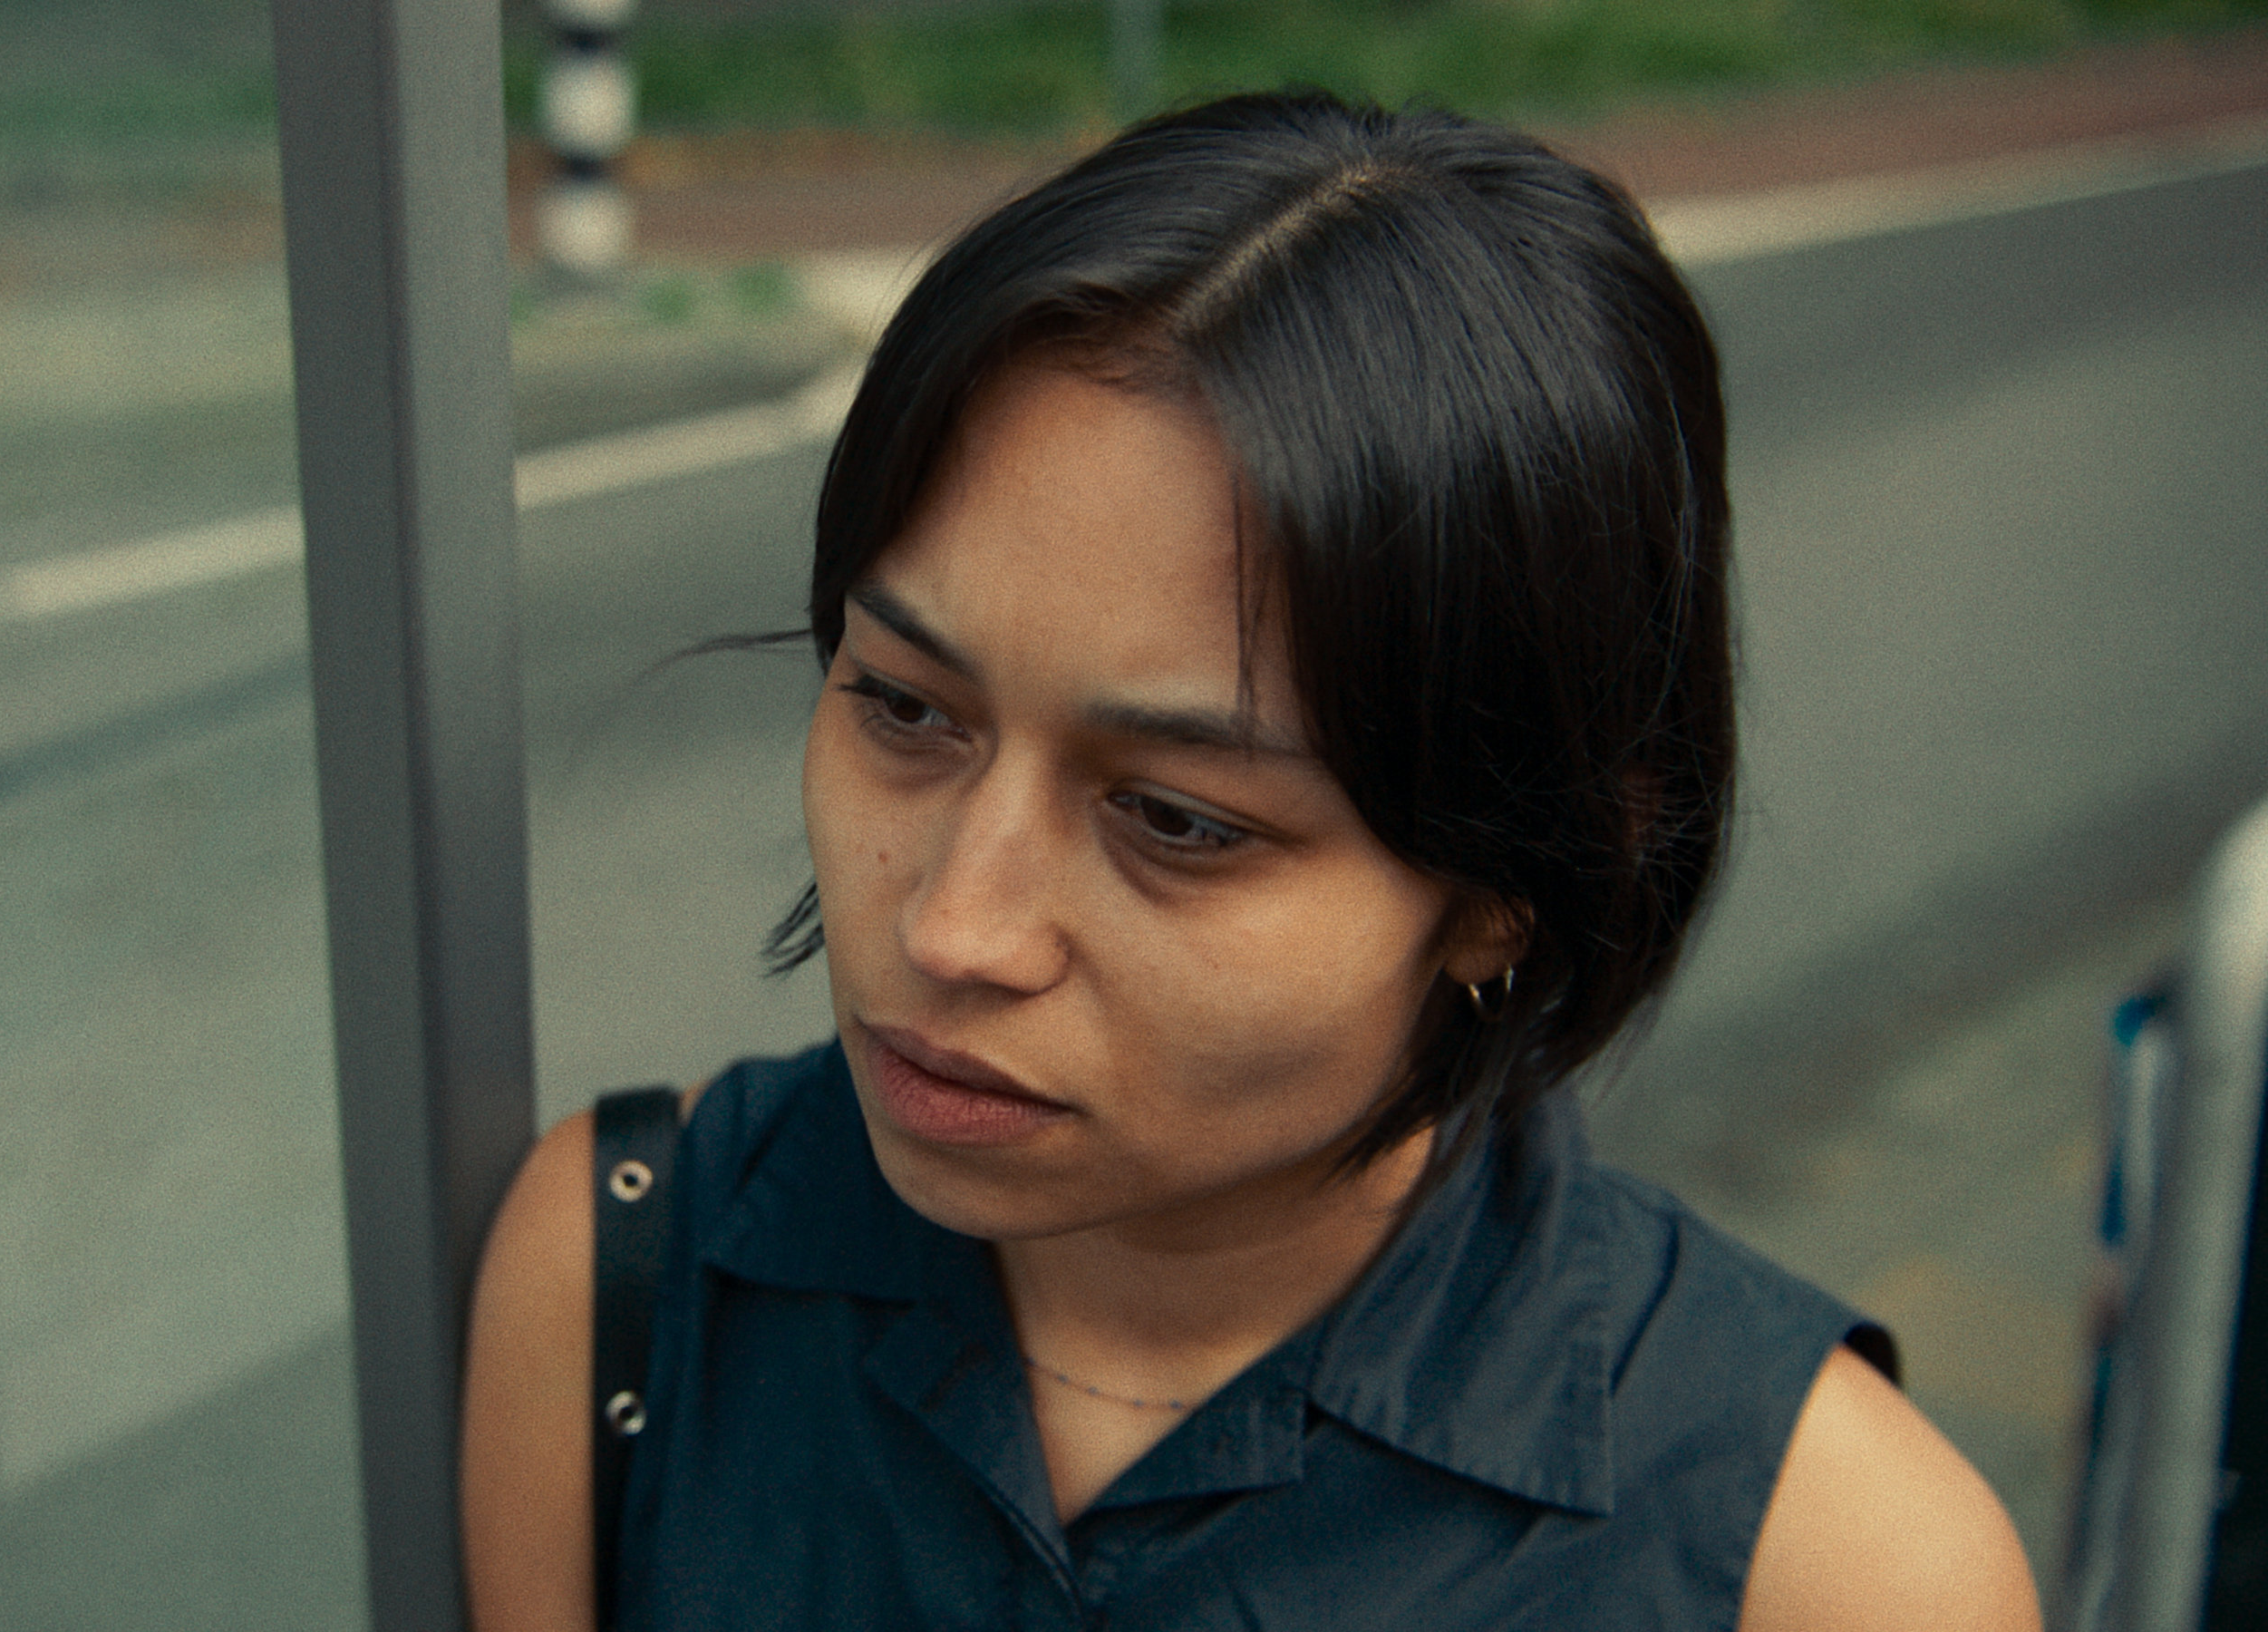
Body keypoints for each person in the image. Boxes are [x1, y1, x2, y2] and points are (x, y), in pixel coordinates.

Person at [464, 89, 2040, 1630]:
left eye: (1178, 819)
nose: (955, 927)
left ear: (1512, 889)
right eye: (904, 706)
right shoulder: (624, 1288)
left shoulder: (1834, 1571)